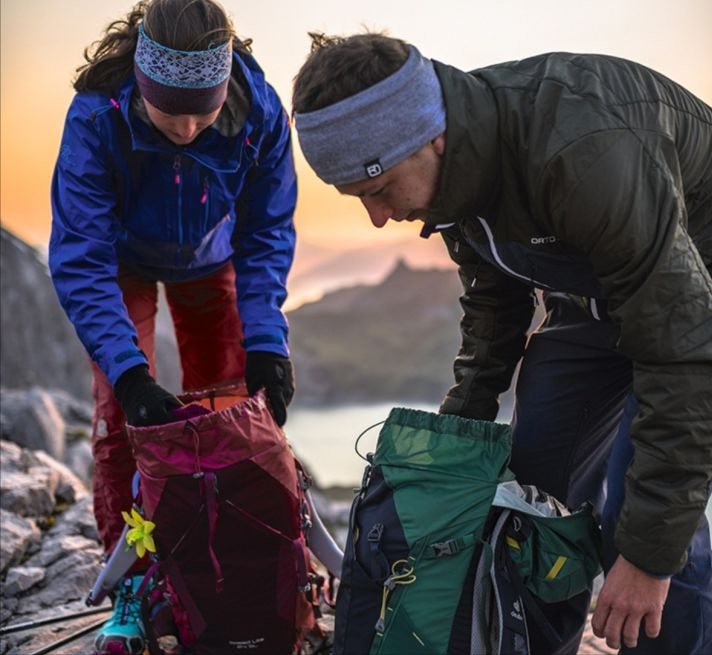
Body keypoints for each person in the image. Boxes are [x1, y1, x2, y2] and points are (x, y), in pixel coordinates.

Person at [292, 33, 712, 654]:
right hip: (595, 299)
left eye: (377, 191)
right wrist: (456, 451)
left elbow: (682, 356)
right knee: (527, 501)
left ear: (428, 139)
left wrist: (649, 561)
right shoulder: (456, 170)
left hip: (693, 300)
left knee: (642, 520)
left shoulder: (581, 154)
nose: (377, 218)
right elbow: (495, 301)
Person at [49, 0, 297, 651]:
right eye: (170, 112)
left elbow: (268, 229)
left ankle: (228, 564)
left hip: (211, 260)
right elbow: (81, 255)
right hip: (120, 263)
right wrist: (130, 374)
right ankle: (132, 580)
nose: (187, 127)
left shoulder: (257, 111)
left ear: (224, 92)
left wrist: (267, 338)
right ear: (142, 85)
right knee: (123, 421)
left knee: (228, 415)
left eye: (202, 111)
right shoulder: (97, 118)